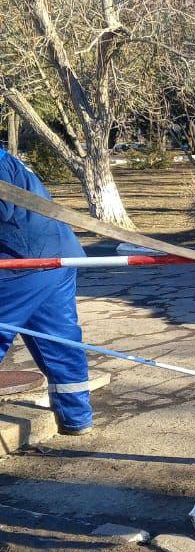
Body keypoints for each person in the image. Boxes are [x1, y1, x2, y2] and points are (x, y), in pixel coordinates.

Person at [0, 147, 94, 434]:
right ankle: (76, 417)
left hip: (25, 261)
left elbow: (3, 209)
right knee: (58, 339)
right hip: (56, 255)